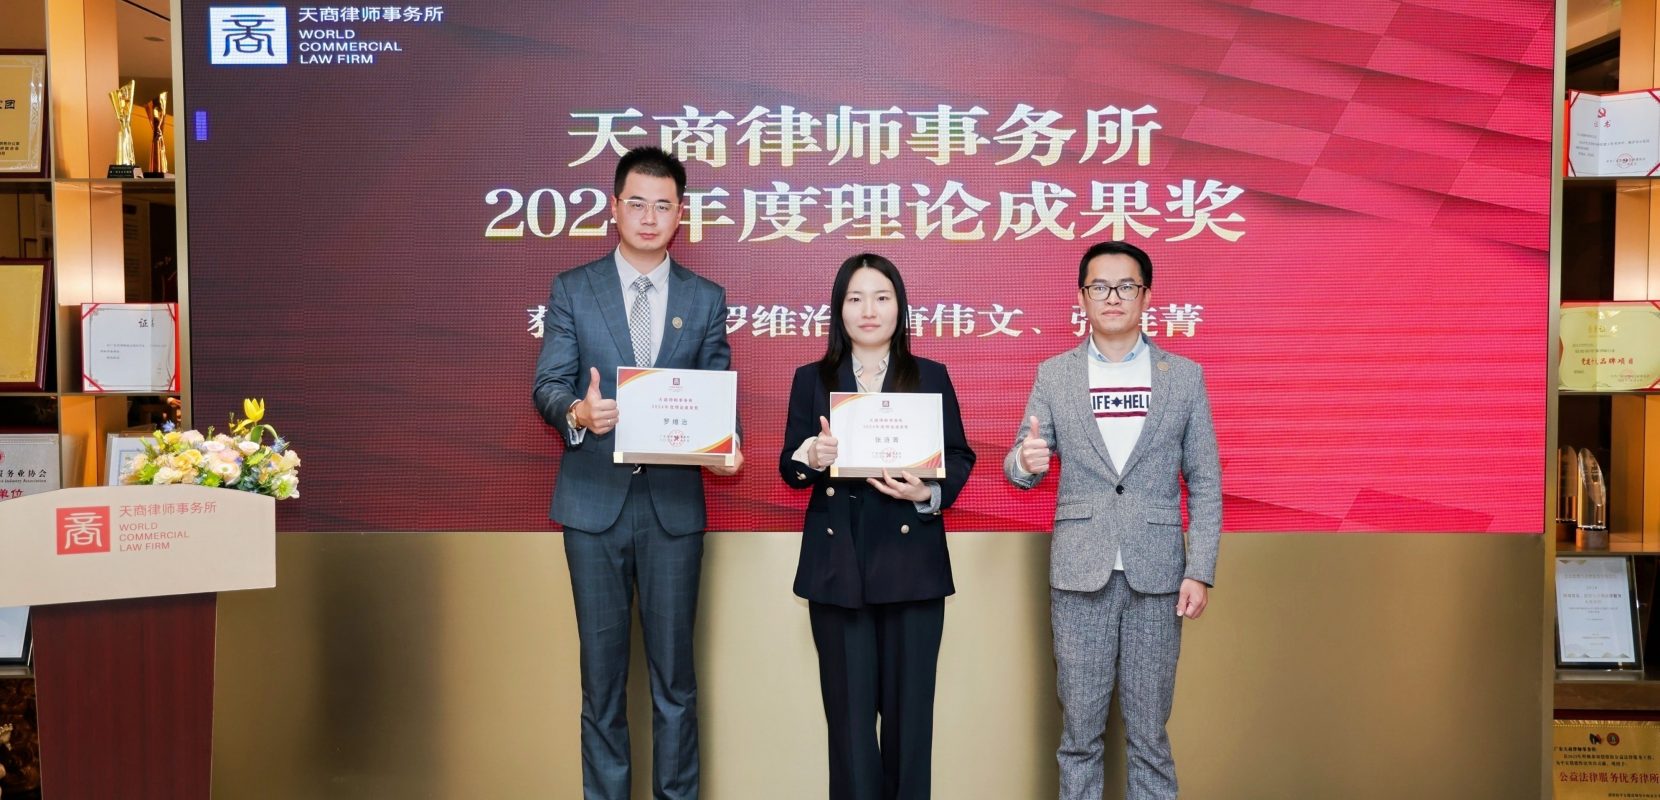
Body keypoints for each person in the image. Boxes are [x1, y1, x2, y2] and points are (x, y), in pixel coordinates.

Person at [532, 145, 741, 800]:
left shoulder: (706, 299)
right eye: (638, 204)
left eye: (663, 206)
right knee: (602, 685)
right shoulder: (574, 288)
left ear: (681, 214)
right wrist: (577, 411)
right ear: (615, 208)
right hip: (592, 507)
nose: (650, 218)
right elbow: (548, 384)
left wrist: (727, 445)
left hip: (672, 512)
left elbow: (715, 395)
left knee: (675, 683)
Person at [1004, 241, 1221, 800]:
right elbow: (1019, 463)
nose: (1113, 297)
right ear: (1082, 298)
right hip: (1080, 575)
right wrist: (1026, 462)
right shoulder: (1055, 375)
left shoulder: (1184, 377)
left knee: (1149, 736)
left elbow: (1205, 481)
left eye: (1127, 285)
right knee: (1080, 736)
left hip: (1159, 578)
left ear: (1146, 296)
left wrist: (1199, 570)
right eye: (1099, 286)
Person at [779, 253, 976, 800]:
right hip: (838, 570)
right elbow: (790, 470)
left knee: (911, 728)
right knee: (849, 729)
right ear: (839, 309)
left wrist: (927, 493)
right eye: (856, 298)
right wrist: (812, 456)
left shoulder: (930, 375)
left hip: (913, 569)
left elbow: (959, 455)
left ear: (900, 307)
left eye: (882, 297)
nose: (869, 310)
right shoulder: (812, 379)